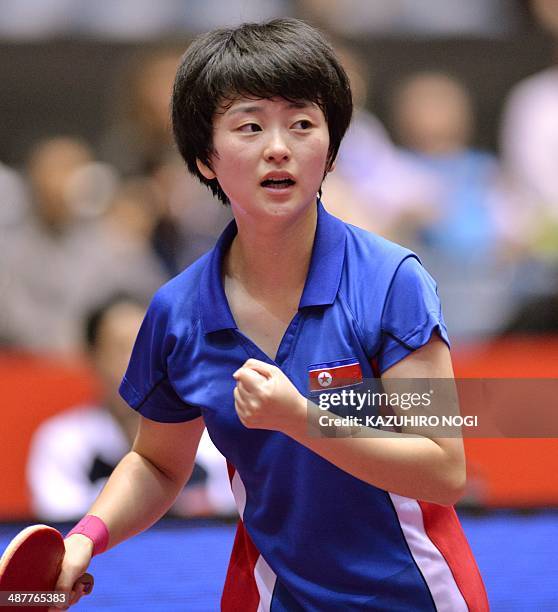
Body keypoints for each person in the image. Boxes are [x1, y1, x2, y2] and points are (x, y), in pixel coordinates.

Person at [54, 19, 489, 611]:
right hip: (270, 596)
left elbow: (443, 467)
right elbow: (157, 462)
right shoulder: (178, 314)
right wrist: (85, 538)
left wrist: (300, 418)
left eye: (303, 124)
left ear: (331, 151)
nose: (278, 146)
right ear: (205, 158)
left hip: (413, 594)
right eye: (250, 126)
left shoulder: (391, 283)